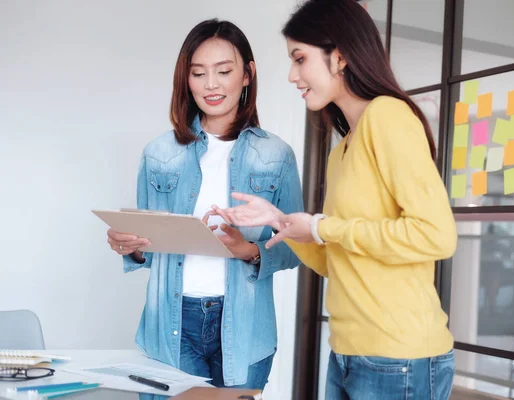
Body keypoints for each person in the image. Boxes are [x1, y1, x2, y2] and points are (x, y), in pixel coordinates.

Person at [210, 1, 458, 398]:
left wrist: (321, 226)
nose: (293, 75)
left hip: (399, 357)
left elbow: (436, 236)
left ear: (339, 56)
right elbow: (337, 257)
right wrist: (282, 222)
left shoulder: (388, 117)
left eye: (300, 58)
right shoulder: (343, 149)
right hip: (348, 353)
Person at [105, 19, 303, 390]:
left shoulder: (276, 155)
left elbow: (296, 245)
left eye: (224, 71)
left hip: (246, 329)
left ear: (247, 75)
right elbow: (147, 245)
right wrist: (128, 247)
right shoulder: (159, 153)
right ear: (187, 79)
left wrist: (248, 250)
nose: (211, 84)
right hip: (172, 323)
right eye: (199, 73)